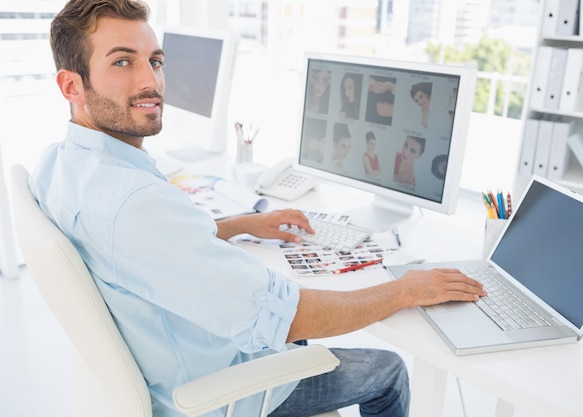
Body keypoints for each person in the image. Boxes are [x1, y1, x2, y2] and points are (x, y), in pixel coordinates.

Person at [31, 1, 486, 417]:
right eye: (122, 62)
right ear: (72, 85)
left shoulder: (61, 163)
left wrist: (242, 225)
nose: (150, 80)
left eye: (155, 61)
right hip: (212, 389)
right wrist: (405, 290)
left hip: (171, 353)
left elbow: (145, 243)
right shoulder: (136, 203)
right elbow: (288, 318)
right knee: (387, 370)